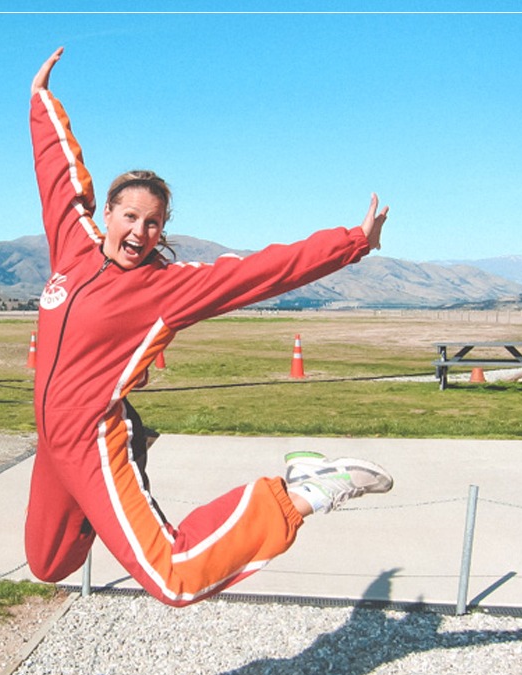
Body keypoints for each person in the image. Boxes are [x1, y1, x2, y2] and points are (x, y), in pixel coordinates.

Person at [25, 47, 393, 607]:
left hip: (91, 436)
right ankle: (133, 462)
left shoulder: (164, 289)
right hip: (50, 437)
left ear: (162, 229)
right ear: (109, 215)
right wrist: (41, 100)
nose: (139, 232)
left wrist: (353, 242)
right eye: (130, 217)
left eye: (153, 223)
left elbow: (263, 271)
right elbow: (57, 175)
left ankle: (305, 490)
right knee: (49, 561)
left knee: (175, 576)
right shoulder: (72, 245)